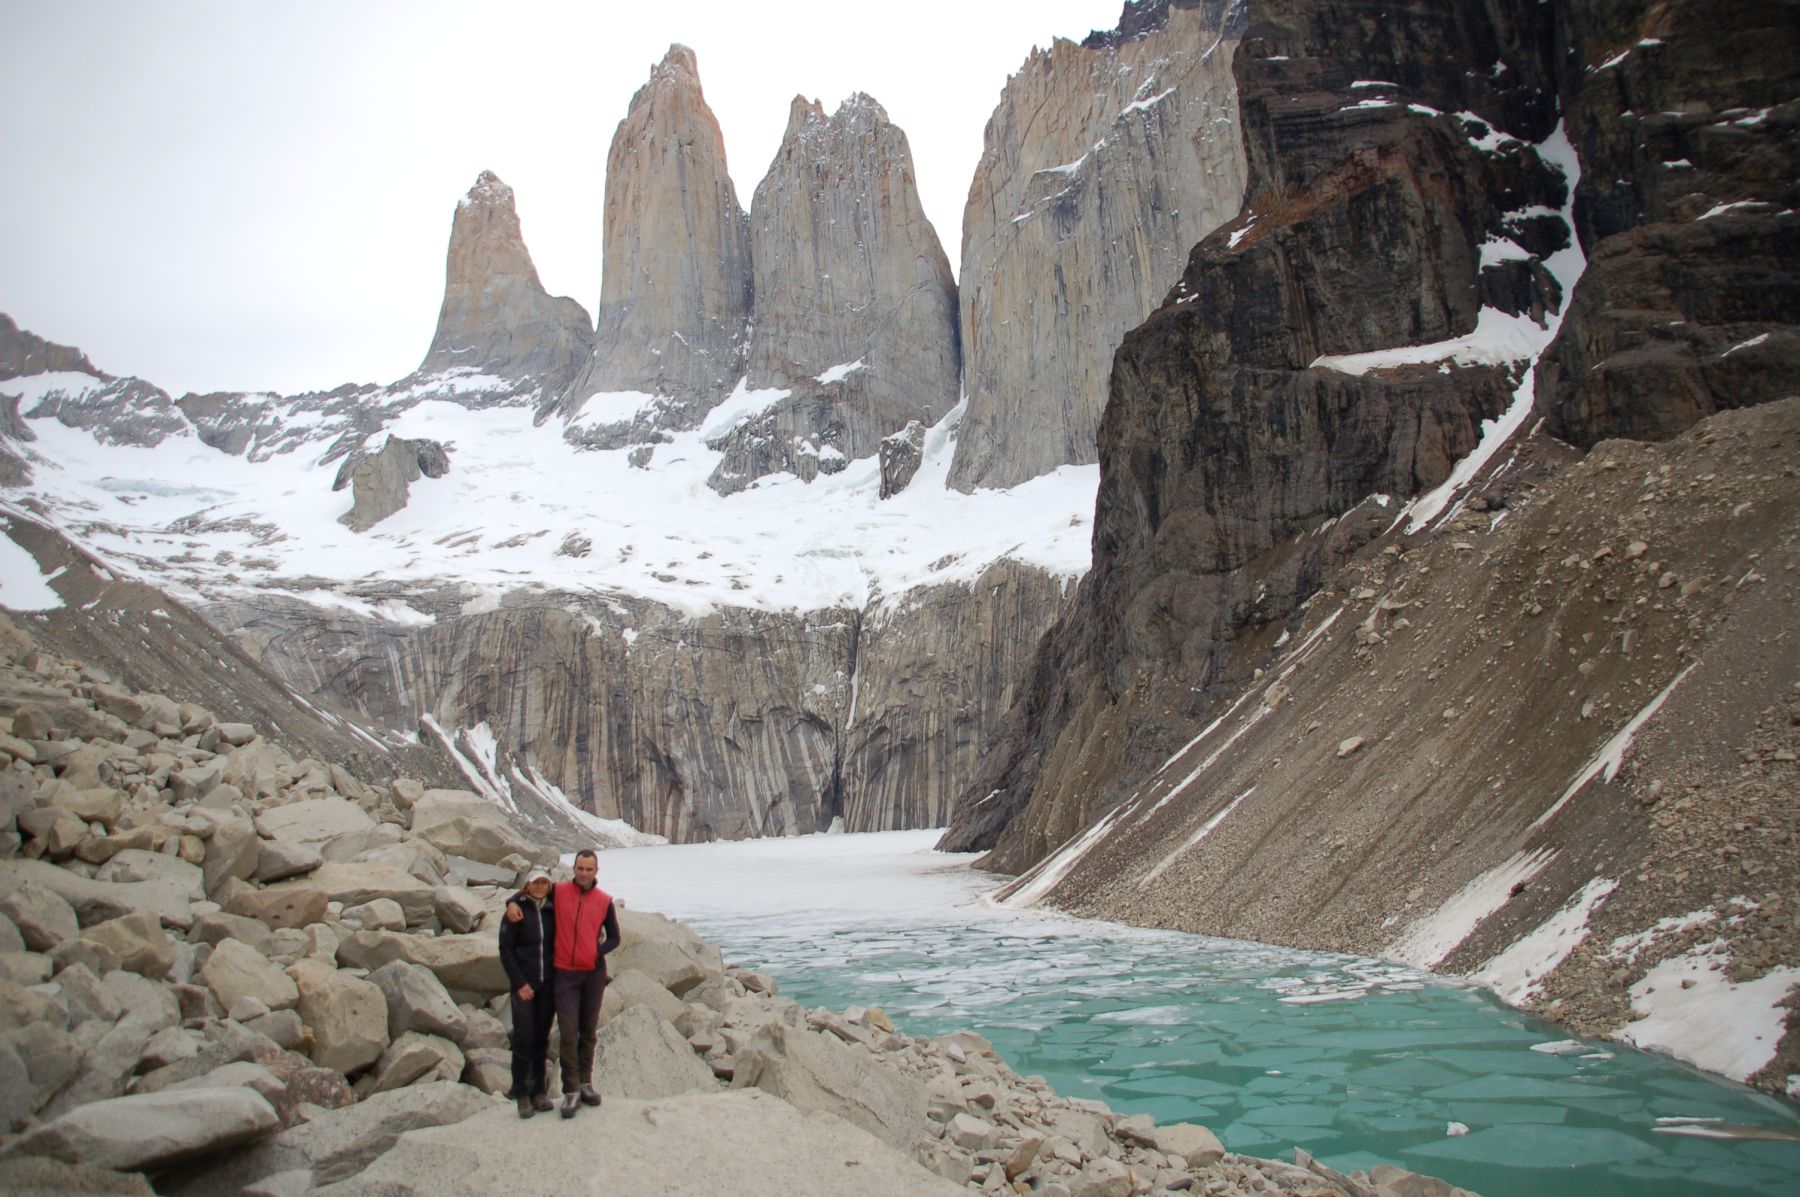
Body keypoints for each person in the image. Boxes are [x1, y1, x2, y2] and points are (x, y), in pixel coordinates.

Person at [508, 848, 620, 1119]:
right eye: (579, 868)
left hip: (592, 974)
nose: (583, 873)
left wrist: (597, 953)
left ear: (596, 871)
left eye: (588, 869)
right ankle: (570, 1089)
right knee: (568, 1031)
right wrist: (510, 902)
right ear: (575, 870)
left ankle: (585, 1083)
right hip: (565, 975)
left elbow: (615, 938)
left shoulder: (604, 901)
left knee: (589, 1029)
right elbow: (530, 891)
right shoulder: (559, 892)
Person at [497, 867, 556, 1118]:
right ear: (527, 886)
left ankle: (539, 1091)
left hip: (547, 984)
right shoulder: (516, 912)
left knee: (541, 1038)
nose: (540, 886)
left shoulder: (553, 909)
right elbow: (506, 950)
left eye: (544, 882)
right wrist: (519, 982)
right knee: (523, 1038)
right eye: (536, 883)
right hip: (524, 985)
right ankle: (521, 1092)